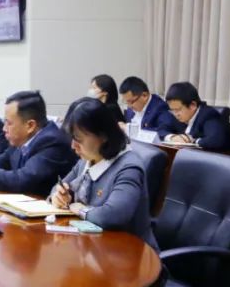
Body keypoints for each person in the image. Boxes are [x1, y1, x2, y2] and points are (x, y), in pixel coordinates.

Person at [51, 97, 156, 246]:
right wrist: (58, 196)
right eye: (72, 138)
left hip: (130, 253)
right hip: (92, 247)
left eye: (78, 139)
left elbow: (114, 215)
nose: (73, 146)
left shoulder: (129, 168)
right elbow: (59, 187)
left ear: (104, 135)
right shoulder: (87, 160)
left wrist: (80, 210)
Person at [164, 81, 230, 151]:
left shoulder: (208, 115)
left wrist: (193, 141)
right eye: (172, 110)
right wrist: (172, 137)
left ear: (193, 105)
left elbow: (215, 140)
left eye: (178, 110)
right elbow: (162, 129)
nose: (175, 114)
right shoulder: (177, 115)